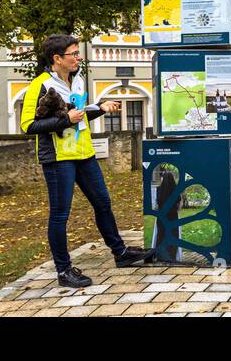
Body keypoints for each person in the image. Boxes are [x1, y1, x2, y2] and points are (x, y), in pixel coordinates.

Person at [22, 33, 150, 288]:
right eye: (73, 54)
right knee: (60, 215)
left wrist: (99, 109)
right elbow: (28, 125)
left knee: (103, 203)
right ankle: (64, 270)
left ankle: (120, 253)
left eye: (78, 53)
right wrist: (64, 120)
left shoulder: (78, 80)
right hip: (59, 159)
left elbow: (77, 115)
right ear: (57, 58)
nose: (79, 57)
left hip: (84, 153)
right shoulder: (41, 85)